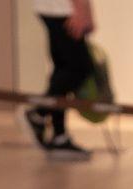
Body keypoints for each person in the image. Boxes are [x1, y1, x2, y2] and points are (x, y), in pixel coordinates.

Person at [26, 0, 96, 162]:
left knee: (63, 70)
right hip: (62, 9)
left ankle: (59, 136)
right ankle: (39, 113)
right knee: (80, 68)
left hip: (54, 8)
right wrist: (82, 10)